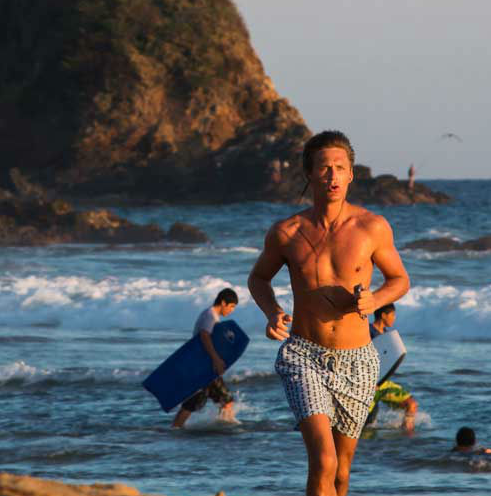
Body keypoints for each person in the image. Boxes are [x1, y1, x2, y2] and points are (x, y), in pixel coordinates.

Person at [248, 130, 410, 496]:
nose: (333, 176)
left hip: (359, 360)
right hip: (304, 355)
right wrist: (272, 312)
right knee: (324, 461)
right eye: (324, 168)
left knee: (341, 471)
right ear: (309, 173)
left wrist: (376, 300)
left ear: (352, 174)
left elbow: (400, 279)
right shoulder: (287, 232)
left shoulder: (372, 227)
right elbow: (259, 278)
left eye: (340, 168)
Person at [171, 288, 239, 428]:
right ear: (223, 302)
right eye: (231, 306)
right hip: (204, 367)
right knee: (226, 400)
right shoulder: (210, 315)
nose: (232, 310)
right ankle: (224, 429)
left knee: (193, 402)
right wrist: (216, 359)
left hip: (201, 366)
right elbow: (204, 336)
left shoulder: (211, 315)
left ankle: (175, 429)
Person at [367, 304, 418, 432]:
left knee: (411, 404)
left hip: (382, 383)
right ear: (383, 315)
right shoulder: (366, 332)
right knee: (366, 425)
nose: (394, 318)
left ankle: (406, 439)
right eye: (393, 315)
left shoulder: (387, 336)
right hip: (366, 386)